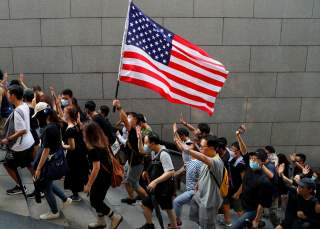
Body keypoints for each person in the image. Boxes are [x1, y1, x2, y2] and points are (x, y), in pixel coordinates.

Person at [176, 135, 224, 229]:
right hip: (200, 196)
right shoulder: (206, 159)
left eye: (202, 147)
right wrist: (198, 184)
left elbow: (203, 158)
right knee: (199, 220)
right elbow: (202, 173)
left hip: (209, 201)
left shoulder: (217, 162)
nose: (200, 149)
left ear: (211, 148)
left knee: (208, 225)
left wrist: (187, 150)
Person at [33, 105, 72, 220]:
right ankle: (65, 198)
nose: (37, 119)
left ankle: (54, 212)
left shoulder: (48, 129)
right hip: (55, 159)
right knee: (48, 183)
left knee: (46, 187)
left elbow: (46, 150)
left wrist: (38, 168)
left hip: (49, 162)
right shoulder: (56, 124)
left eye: (37, 116)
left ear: (42, 116)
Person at [83, 121, 123, 229]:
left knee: (95, 201)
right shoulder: (102, 142)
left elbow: (96, 168)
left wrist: (88, 185)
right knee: (98, 199)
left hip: (100, 178)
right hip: (106, 176)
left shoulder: (92, 149)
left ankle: (114, 217)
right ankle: (101, 221)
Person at [138, 132, 178, 229]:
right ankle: (149, 225)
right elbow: (142, 151)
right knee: (144, 204)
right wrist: (139, 139)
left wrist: (155, 181)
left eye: (146, 143)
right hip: (156, 187)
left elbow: (170, 172)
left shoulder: (164, 154)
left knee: (169, 209)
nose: (145, 145)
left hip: (164, 188)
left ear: (153, 143)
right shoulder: (153, 151)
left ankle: (174, 227)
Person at [113, 99, 148, 204]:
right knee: (128, 180)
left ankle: (147, 200)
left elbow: (123, 119)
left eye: (130, 117)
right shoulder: (135, 128)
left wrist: (119, 107)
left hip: (137, 162)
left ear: (136, 119)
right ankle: (131, 198)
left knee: (134, 183)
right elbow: (123, 120)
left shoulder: (135, 129)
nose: (128, 119)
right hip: (131, 159)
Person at [2, 84, 35, 195]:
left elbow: (22, 130)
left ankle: (21, 187)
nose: (7, 97)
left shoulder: (17, 111)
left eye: (8, 95)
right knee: (30, 164)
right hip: (29, 142)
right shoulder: (25, 105)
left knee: (7, 164)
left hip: (20, 146)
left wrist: (8, 139)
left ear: (14, 96)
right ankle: (41, 187)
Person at [231, 151, 273, 229]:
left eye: (255, 159)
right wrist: (238, 193)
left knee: (235, 227)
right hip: (245, 204)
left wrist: (256, 220)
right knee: (247, 224)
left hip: (253, 210)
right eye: (251, 158)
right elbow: (244, 183)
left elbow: (262, 203)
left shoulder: (263, 180)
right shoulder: (249, 169)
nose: (252, 160)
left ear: (262, 163)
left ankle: (258, 222)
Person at [173, 126, 202, 227]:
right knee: (196, 214)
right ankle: (177, 221)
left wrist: (197, 188)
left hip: (194, 191)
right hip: (192, 189)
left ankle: (177, 222)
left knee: (178, 202)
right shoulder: (190, 162)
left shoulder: (197, 162)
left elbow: (183, 148)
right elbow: (182, 149)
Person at [62, 106, 89, 202]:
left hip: (73, 156)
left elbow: (72, 146)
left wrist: (61, 145)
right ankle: (77, 193)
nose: (63, 114)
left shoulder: (70, 129)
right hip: (80, 154)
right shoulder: (76, 125)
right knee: (76, 174)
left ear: (69, 115)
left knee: (73, 174)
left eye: (65, 113)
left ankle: (75, 195)